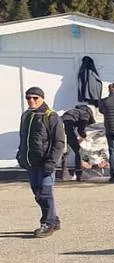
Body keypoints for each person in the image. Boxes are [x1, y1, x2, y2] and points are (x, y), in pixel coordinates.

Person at [17, 86, 65, 238]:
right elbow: (23, 138)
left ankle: (48, 223)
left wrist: (51, 161)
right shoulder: (26, 116)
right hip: (31, 162)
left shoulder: (51, 116)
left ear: (42, 98)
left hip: (46, 162)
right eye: (28, 98)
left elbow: (59, 142)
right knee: (37, 193)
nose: (31, 100)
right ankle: (54, 220)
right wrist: (20, 155)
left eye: (35, 98)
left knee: (45, 192)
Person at [60, 102, 94, 181]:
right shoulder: (85, 114)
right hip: (68, 130)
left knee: (65, 152)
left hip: (59, 130)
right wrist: (86, 137)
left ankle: (64, 173)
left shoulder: (71, 111)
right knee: (79, 151)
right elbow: (81, 130)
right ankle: (79, 174)